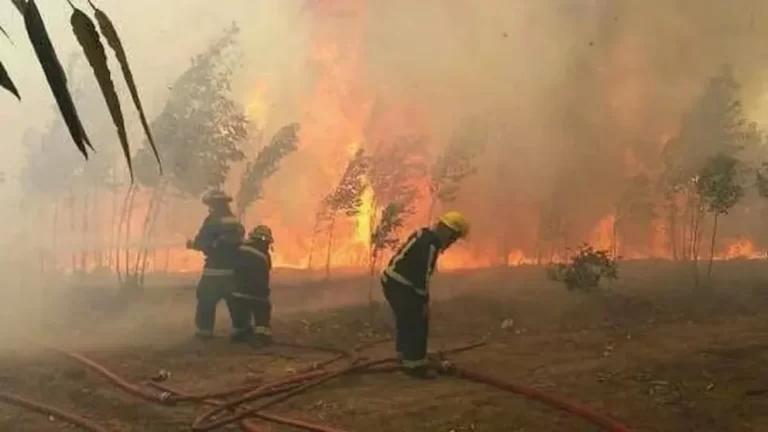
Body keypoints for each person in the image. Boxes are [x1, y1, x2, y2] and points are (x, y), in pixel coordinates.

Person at [380, 211, 470, 379]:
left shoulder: (424, 234)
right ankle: (415, 367)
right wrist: (424, 303)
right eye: (454, 238)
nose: (452, 243)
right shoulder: (431, 245)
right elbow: (422, 276)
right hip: (400, 284)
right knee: (417, 321)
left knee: (406, 318)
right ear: (448, 232)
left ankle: (404, 355)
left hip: (393, 280)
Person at [186, 189, 245, 340]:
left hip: (214, 270)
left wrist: (192, 244)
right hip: (234, 270)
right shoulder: (234, 220)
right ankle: (241, 330)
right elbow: (239, 238)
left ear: (214, 204)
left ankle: (204, 332)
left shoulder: (212, 221)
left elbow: (202, 242)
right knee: (236, 300)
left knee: (206, 298)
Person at [232, 225, 275, 344]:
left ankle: (239, 333)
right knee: (263, 309)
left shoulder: (241, 248)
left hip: (237, 291)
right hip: (258, 292)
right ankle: (262, 335)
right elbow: (267, 270)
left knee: (240, 313)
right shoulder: (265, 255)